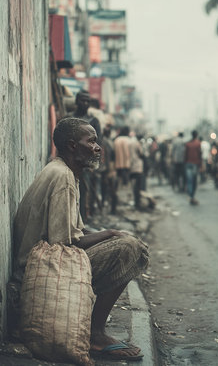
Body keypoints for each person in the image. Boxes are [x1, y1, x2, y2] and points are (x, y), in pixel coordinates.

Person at [13, 118, 148, 361]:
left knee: (124, 242)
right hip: (40, 273)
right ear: (73, 146)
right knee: (130, 249)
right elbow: (64, 245)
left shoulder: (63, 171)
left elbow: (73, 233)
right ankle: (95, 335)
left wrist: (108, 235)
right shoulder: (63, 177)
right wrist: (110, 235)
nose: (98, 147)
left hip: (44, 264)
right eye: (92, 141)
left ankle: (93, 330)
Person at [72, 90, 102, 220]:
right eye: (82, 100)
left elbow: (98, 145)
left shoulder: (93, 121)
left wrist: (94, 163)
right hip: (71, 162)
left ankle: (82, 223)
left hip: (86, 165)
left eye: (87, 101)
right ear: (76, 101)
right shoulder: (69, 119)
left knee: (84, 193)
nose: (85, 103)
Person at [185, 130, 202, 205]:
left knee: (189, 180)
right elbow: (199, 154)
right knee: (194, 181)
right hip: (195, 164)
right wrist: (201, 164)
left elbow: (185, 155)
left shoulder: (188, 144)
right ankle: (192, 196)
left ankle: (190, 195)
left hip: (188, 163)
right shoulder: (198, 143)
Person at [130, 134, 144, 210]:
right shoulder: (137, 143)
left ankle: (136, 202)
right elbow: (141, 153)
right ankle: (137, 203)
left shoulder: (129, 142)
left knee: (133, 186)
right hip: (138, 167)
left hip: (131, 166)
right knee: (138, 187)